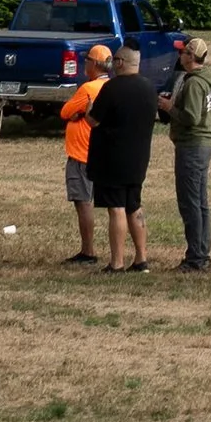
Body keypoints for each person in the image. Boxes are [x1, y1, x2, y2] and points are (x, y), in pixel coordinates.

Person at [87, 42, 161, 270]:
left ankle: (117, 262)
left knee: (116, 208)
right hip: (139, 157)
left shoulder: (112, 88)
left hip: (113, 157)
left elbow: (94, 120)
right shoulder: (149, 88)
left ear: (120, 62)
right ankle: (141, 258)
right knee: (134, 206)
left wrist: (90, 109)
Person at [158, 33, 211, 273]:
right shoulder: (206, 79)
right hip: (202, 145)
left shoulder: (194, 83)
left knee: (190, 202)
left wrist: (168, 107)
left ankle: (196, 257)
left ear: (191, 56)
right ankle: (202, 251)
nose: (179, 55)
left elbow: (192, 117)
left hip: (192, 145)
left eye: (182, 52)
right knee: (200, 201)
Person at [61, 44, 113, 265]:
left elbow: (65, 112)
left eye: (87, 60)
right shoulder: (111, 86)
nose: (84, 63)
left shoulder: (88, 89)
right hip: (101, 151)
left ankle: (88, 251)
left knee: (83, 202)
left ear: (95, 64)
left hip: (82, 152)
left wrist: (78, 113)